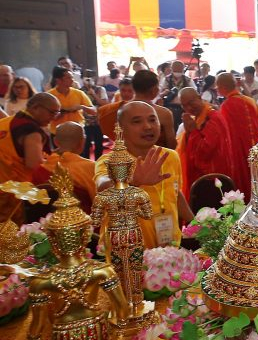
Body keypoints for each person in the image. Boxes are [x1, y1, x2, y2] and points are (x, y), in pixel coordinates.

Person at [95, 101, 193, 249]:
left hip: (168, 251)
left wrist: (196, 223)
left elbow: (175, 194)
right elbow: (103, 186)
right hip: (128, 253)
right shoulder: (111, 161)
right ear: (120, 129)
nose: (148, 126)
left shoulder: (170, 156)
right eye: (137, 121)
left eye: (152, 120)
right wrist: (132, 181)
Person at [0, 93, 58, 220]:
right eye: (52, 113)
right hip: (10, 192)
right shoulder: (31, 131)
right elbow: (34, 165)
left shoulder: (7, 121)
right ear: (36, 107)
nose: (53, 118)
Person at [215, 72, 258, 200]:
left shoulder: (226, 106)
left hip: (238, 152)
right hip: (256, 148)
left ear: (221, 87)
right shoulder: (250, 101)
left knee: (242, 182)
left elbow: (224, 135)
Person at [177, 88, 232, 193]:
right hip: (200, 179)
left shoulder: (213, 118)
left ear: (199, 97)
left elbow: (205, 150)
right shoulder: (198, 118)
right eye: (184, 106)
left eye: (191, 103)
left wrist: (192, 131)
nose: (189, 108)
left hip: (213, 178)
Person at [40, 122, 96, 206]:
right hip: (83, 217)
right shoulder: (91, 167)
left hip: (47, 217)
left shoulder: (42, 167)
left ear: (55, 141)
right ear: (83, 141)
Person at [47, 66, 95, 132]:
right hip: (57, 132)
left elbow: (94, 111)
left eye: (72, 77)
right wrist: (64, 111)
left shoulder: (79, 93)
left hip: (77, 130)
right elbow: (46, 116)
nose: (72, 80)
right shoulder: (49, 95)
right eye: (68, 78)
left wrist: (82, 107)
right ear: (58, 80)